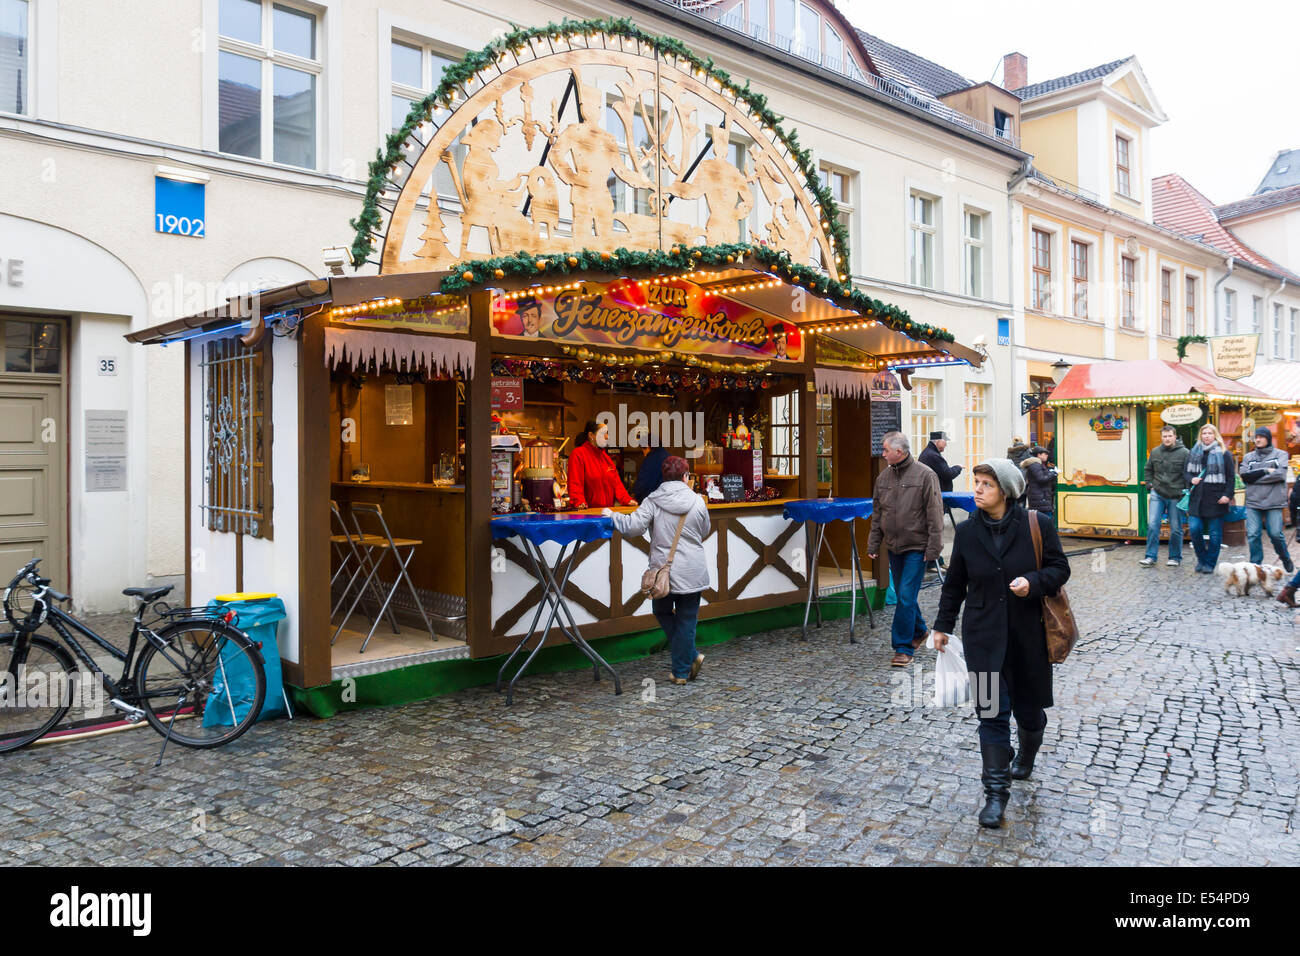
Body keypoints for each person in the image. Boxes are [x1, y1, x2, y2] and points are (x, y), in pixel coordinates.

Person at [930, 459, 1071, 829]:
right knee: (990, 715)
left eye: (985, 485)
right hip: (984, 639)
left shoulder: (1037, 525)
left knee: (1028, 711)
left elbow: (1060, 569)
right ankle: (995, 794)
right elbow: (955, 583)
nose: (976, 490)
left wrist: (1033, 583)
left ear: (1006, 491)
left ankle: (1026, 753)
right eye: (976, 483)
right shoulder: (967, 531)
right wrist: (942, 626)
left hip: (1028, 637)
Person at [605, 456, 709, 685]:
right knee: (687, 619)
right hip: (692, 569)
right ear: (685, 477)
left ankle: (682, 670)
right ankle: (689, 658)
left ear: (663, 477)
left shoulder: (653, 500)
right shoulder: (698, 501)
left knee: (661, 611)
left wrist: (612, 516)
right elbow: (705, 530)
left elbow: (633, 527)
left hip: (663, 570)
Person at [867, 432, 944, 667]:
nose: (882, 454)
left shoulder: (925, 475)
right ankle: (920, 630)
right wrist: (873, 543)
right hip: (894, 547)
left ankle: (902, 647)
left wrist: (934, 548)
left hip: (917, 547)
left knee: (905, 595)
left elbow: (935, 514)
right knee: (904, 595)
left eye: (886, 450)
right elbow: (878, 513)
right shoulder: (883, 478)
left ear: (899, 452)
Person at [1241, 426, 1294, 572]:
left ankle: (1284, 557)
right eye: (1256, 437)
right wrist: (1264, 471)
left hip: (1274, 501)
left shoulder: (1281, 455)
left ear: (1268, 438)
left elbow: (1280, 475)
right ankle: (1255, 566)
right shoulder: (1248, 457)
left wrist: (1254, 478)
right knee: (1252, 534)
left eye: (1261, 437)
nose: (1257, 439)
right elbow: (1244, 476)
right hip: (1253, 502)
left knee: (1276, 534)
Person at [1185, 423, 1236, 574]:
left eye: (1209, 433)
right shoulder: (1193, 452)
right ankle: (1201, 559)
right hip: (1197, 499)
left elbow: (1231, 477)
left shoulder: (1224, 453)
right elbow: (1185, 473)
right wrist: (1191, 479)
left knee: (1215, 534)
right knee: (1194, 530)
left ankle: (1210, 563)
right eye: (1204, 433)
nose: (1206, 436)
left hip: (1216, 499)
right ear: (1200, 436)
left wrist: (1227, 495)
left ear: (1215, 435)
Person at [1140, 425, 1189, 568]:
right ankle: (1150, 557)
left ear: (1175, 436)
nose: (1167, 439)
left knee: (1175, 528)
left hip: (1176, 495)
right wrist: (1149, 484)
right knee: (1153, 525)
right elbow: (1148, 468)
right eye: (1164, 436)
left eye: (1169, 436)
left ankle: (1175, 557)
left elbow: (1188, 473)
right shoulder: (1155, 452)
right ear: (1161, 437)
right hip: (1158, 492)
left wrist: (1186, 491)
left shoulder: (1185, 453)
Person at [568, 420, 636, 511]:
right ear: (591, 435)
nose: (607, 437)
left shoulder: (606, 457)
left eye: (607, 433)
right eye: (603, 433)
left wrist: (627, 500)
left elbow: (617, 484)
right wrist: (579, 502)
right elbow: (574, 484)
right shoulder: (578, 454)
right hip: (588, 514)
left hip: (607, 513)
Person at [629, 425, 670, 502]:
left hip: (652, 502)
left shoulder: (650, 459)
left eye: (642, 449)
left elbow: (643, 483)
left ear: (647, 446)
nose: (644, 454)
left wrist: (636, 495)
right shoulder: (669, 457)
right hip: (668, 501)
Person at [1020, 445, 1058, 518]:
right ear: (1039, 455)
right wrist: (1053, 474)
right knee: (1044, 520)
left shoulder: (1038, 464)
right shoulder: (1035, 465)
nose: (1047, 455)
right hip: (1040, 497)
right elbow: (1041, 479)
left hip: (1040, 497)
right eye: (1045, 454)